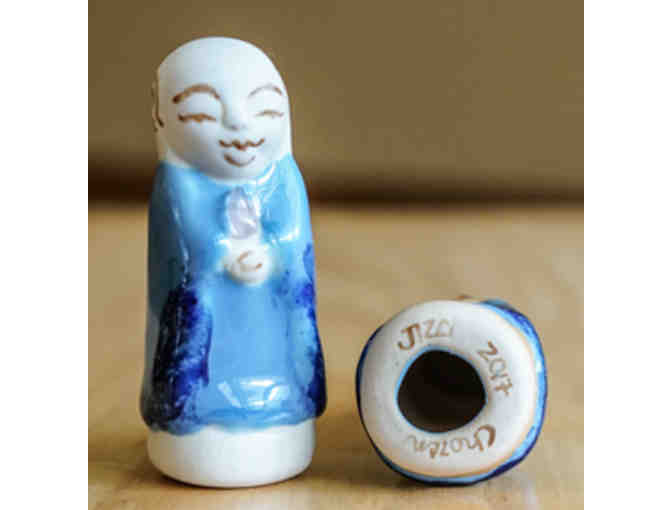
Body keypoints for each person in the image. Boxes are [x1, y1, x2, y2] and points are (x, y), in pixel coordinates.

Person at [140, 37, 326, 487]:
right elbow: (186, 241)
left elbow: (293, 234)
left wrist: (273, 253)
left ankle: (282, 410)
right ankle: (192, 417)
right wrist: (225, 256)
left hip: (268, 313)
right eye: (203, 115)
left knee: (283, 348)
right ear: (163, 119)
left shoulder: (282, 175)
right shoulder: (177, 183)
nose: (240, 127)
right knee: (194, 349)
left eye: (265, 110)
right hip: (212, 306)